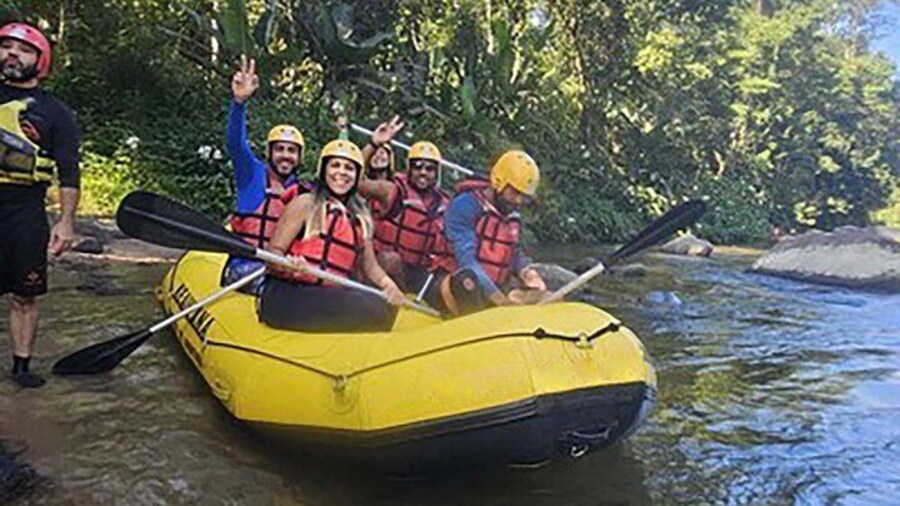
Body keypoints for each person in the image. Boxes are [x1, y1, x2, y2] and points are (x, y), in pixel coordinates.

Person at [0, 22, 80, 388]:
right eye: (6, 47)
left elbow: (69, 172)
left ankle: (21, 366)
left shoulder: (56, 113)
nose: (12, 54)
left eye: (23, 49)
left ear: (40, 60)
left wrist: (65, 222)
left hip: (26, 211)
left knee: (24, 294)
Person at [258, 140, 405, 332]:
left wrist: (389, 285)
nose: (342, 173)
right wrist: (288, 263)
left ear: (357, 176)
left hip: (327, 293)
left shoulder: (359, 218)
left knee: (382, 308)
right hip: (289, 291)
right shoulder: (305, 203)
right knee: (369, 308)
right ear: (323, 170)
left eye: (349, 168)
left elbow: (371, 266)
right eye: (335, 165)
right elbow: (274, 251)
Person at [425, 150, 548, 316]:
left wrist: (527, 272)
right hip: (454, 283)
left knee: (544, 284)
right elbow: (466, 261)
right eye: (515, 192)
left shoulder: (511, 213)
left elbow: (513, 253)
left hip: (495, 286)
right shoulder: (464, 206)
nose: (519, 201)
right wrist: (501, 302)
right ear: (499, 182)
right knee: (467, 282)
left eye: (524, 196)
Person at [223, 54, 306, 292]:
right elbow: (236, 144)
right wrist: (239, 103)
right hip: (245, 269)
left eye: (291, 151)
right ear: (269, 152)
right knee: (279, 289)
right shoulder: (252, 174)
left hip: (279, 270)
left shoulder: (303, 192)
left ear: (299, 157)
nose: (285, 156)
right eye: (279, 149)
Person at [358, 117, 451, 293]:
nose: (423, 173)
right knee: (390, 259)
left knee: (450, 280)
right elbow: (356, 181)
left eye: (429, 169)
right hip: (386, 267)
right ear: (409, 168)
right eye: (418, 167)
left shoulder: (445, 203)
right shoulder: (392, 190)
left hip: (421, 271)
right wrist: (373, 144)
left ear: (436, 172)